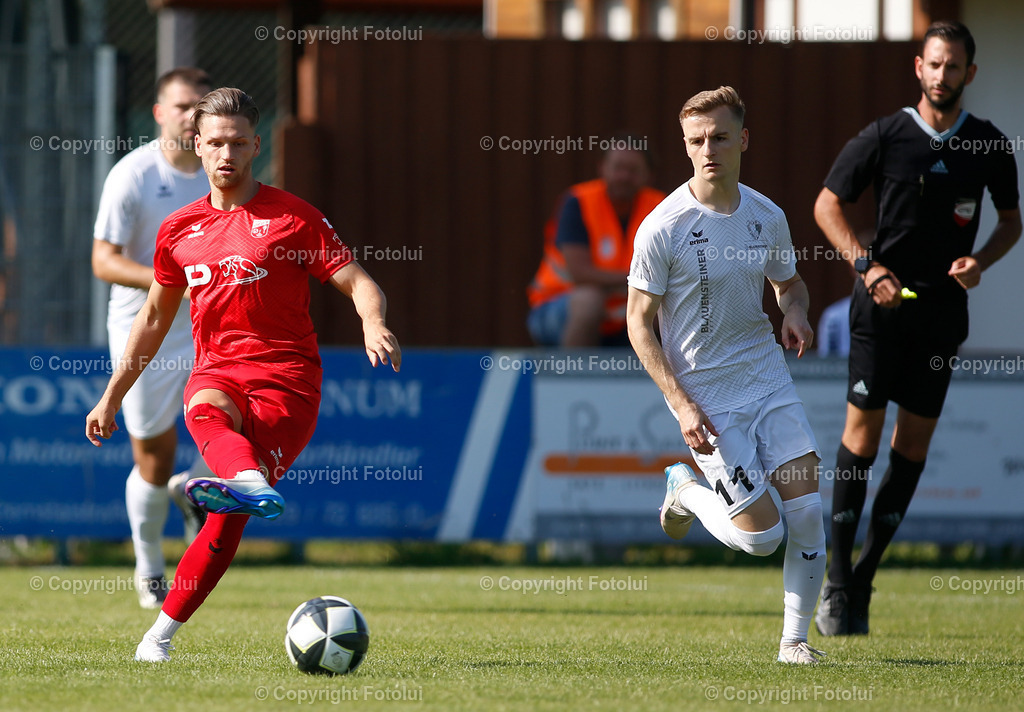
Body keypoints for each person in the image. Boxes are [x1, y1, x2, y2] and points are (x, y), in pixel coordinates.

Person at [85, 87, 402, 663]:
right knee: (203, 408)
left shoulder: (294, 218)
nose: (225, 154)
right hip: (217, 370)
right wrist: (111, 396)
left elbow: (358, 281)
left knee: (223, 525)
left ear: (256, 145)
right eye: (214, 143)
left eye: (237, 143)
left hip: (288, 382)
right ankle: (246, 483)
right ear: (197, 146)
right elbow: (153, 316)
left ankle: (158, 635)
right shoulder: (178, 230)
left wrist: (373, 322)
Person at [813, 20, 1021, 636]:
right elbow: (826, 204)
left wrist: (980, 261)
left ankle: (864, 579)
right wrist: (866, 265)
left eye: (953, 66)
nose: (942, 75)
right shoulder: (886, 134)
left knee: (911, 451)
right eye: (934, 63)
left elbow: (1012, 221)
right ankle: (835, 581)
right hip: (879, 312)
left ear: (969, 73)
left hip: (940, 318)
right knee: (861, 440)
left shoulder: (989, 144)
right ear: (918, 67)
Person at [628, 86, 827, 664]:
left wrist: (794, 313)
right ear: (685, 145)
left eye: (719, 137)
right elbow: (638, 324)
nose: (708, 149)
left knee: (808, 513)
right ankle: (684, 489)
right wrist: (682, 405)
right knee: (762, 538)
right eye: (696, 140)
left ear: (743, 139)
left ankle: (794, 643)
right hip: (707, 396)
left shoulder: (767, 216)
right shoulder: (663, 226)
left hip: (766, 377)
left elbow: (790, 284)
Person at [92, 67, 214, 609]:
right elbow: (103, 261)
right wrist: (171, 282)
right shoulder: (134, 175)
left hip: (210, 329)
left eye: (200, 107)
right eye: (182, 106)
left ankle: (194, 490)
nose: (192, 116)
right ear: (160, 113)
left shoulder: (221, 173)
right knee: (154, 459)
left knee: (241, 424)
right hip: (144, 331)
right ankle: (150, 569)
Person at [528, 136, 665, 346]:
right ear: (602, 168)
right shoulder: (578, 201)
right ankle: (573, 368)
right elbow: (580, 273)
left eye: (633, 170)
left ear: (649, 175)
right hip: (558, 304)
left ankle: (657, 368)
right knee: (588, 301)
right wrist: (639, 279)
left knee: (666, 308)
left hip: (627, 308)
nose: (624, 176)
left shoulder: (661, 207)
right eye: (618, 168)